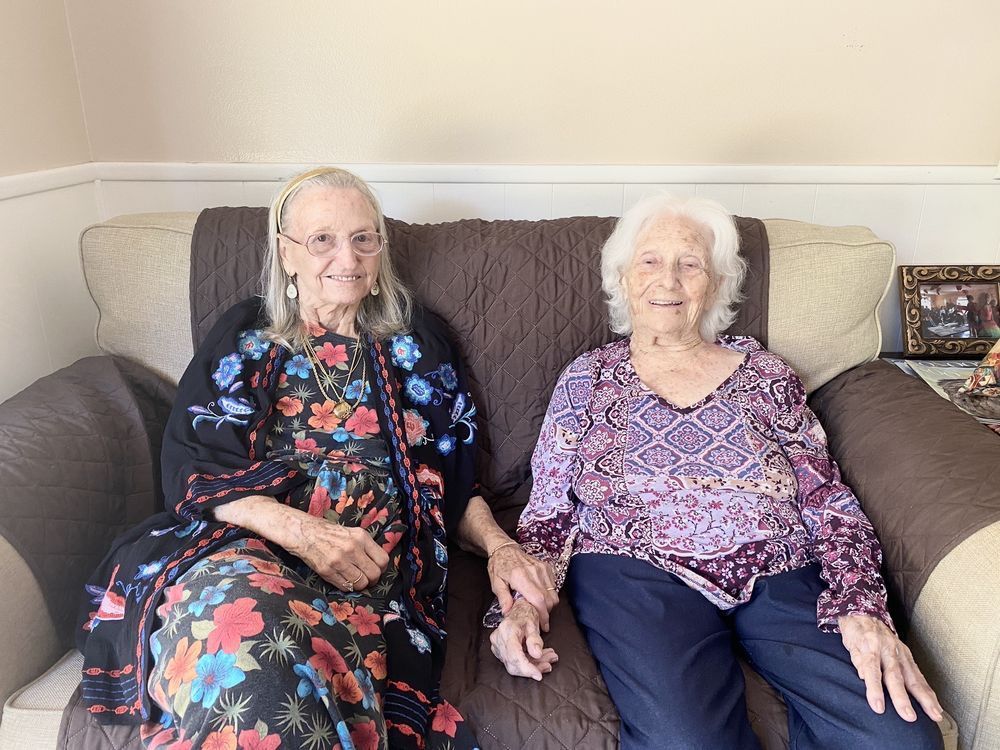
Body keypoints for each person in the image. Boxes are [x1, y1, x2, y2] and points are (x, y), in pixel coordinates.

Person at [77, 167, 555, 750]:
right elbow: (194, 466)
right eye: (322, 239)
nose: (347, 257)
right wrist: (303, 533)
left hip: (372, 579)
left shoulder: (418, 342)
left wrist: (502, 547)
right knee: (248, 628)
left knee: (279, 665)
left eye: (363, 237)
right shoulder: (247, 336)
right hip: (245, 553)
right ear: (287, 253)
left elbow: (453, 481)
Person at [488, 195, 945, 750]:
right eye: (651, 261)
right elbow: (552, 509)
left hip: (780, 567)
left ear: (717, 283)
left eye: (691, 264)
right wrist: (518, 609)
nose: (669, 281)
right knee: (687, 742)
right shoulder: (587, 379)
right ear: (623, 277)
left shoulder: (765, 375)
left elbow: (829, 499)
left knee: (900, 736)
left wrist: (861, 605)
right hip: (634, 571)